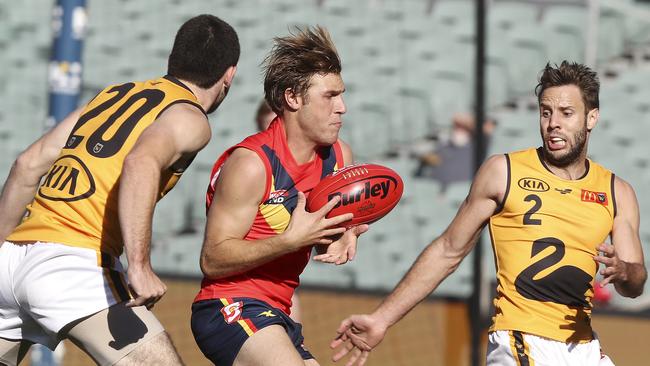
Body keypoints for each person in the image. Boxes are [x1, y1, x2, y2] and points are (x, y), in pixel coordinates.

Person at [331, 61, 647, 366]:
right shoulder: (503, 172)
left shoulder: (617, 192)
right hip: (522, 339)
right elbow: (448, 250)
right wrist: (381, 319)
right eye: (546, 112)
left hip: (583, 346)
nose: (553, 124)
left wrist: (624, 271)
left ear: (591, 118)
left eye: (566, 113)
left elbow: (635, 283)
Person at [0, 14, 240, 366]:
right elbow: (140, 163)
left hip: (12, 261)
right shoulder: (190, 117)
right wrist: (139, 266)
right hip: (73, 264)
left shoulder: (112, 95)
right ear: (229, 75)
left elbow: (27, 164)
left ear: (173, 60)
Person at [191, 26, 368, 366]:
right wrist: (290, 240)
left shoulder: (339, 156)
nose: (342, 107)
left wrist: (342, 235)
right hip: (229, 306)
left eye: (341, 94)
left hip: (278, 312)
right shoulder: (252, 164)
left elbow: (318, 239)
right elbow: (212, 260)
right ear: (293, 98)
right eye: (329, 96)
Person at [415, 112, 496, 191]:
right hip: (436, 191)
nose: (459, 131)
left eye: (463, 129)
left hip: (463, 192)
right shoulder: (443, 146)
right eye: (456, 128)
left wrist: (467, 122)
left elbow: (488, 128)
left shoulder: (476, 148)